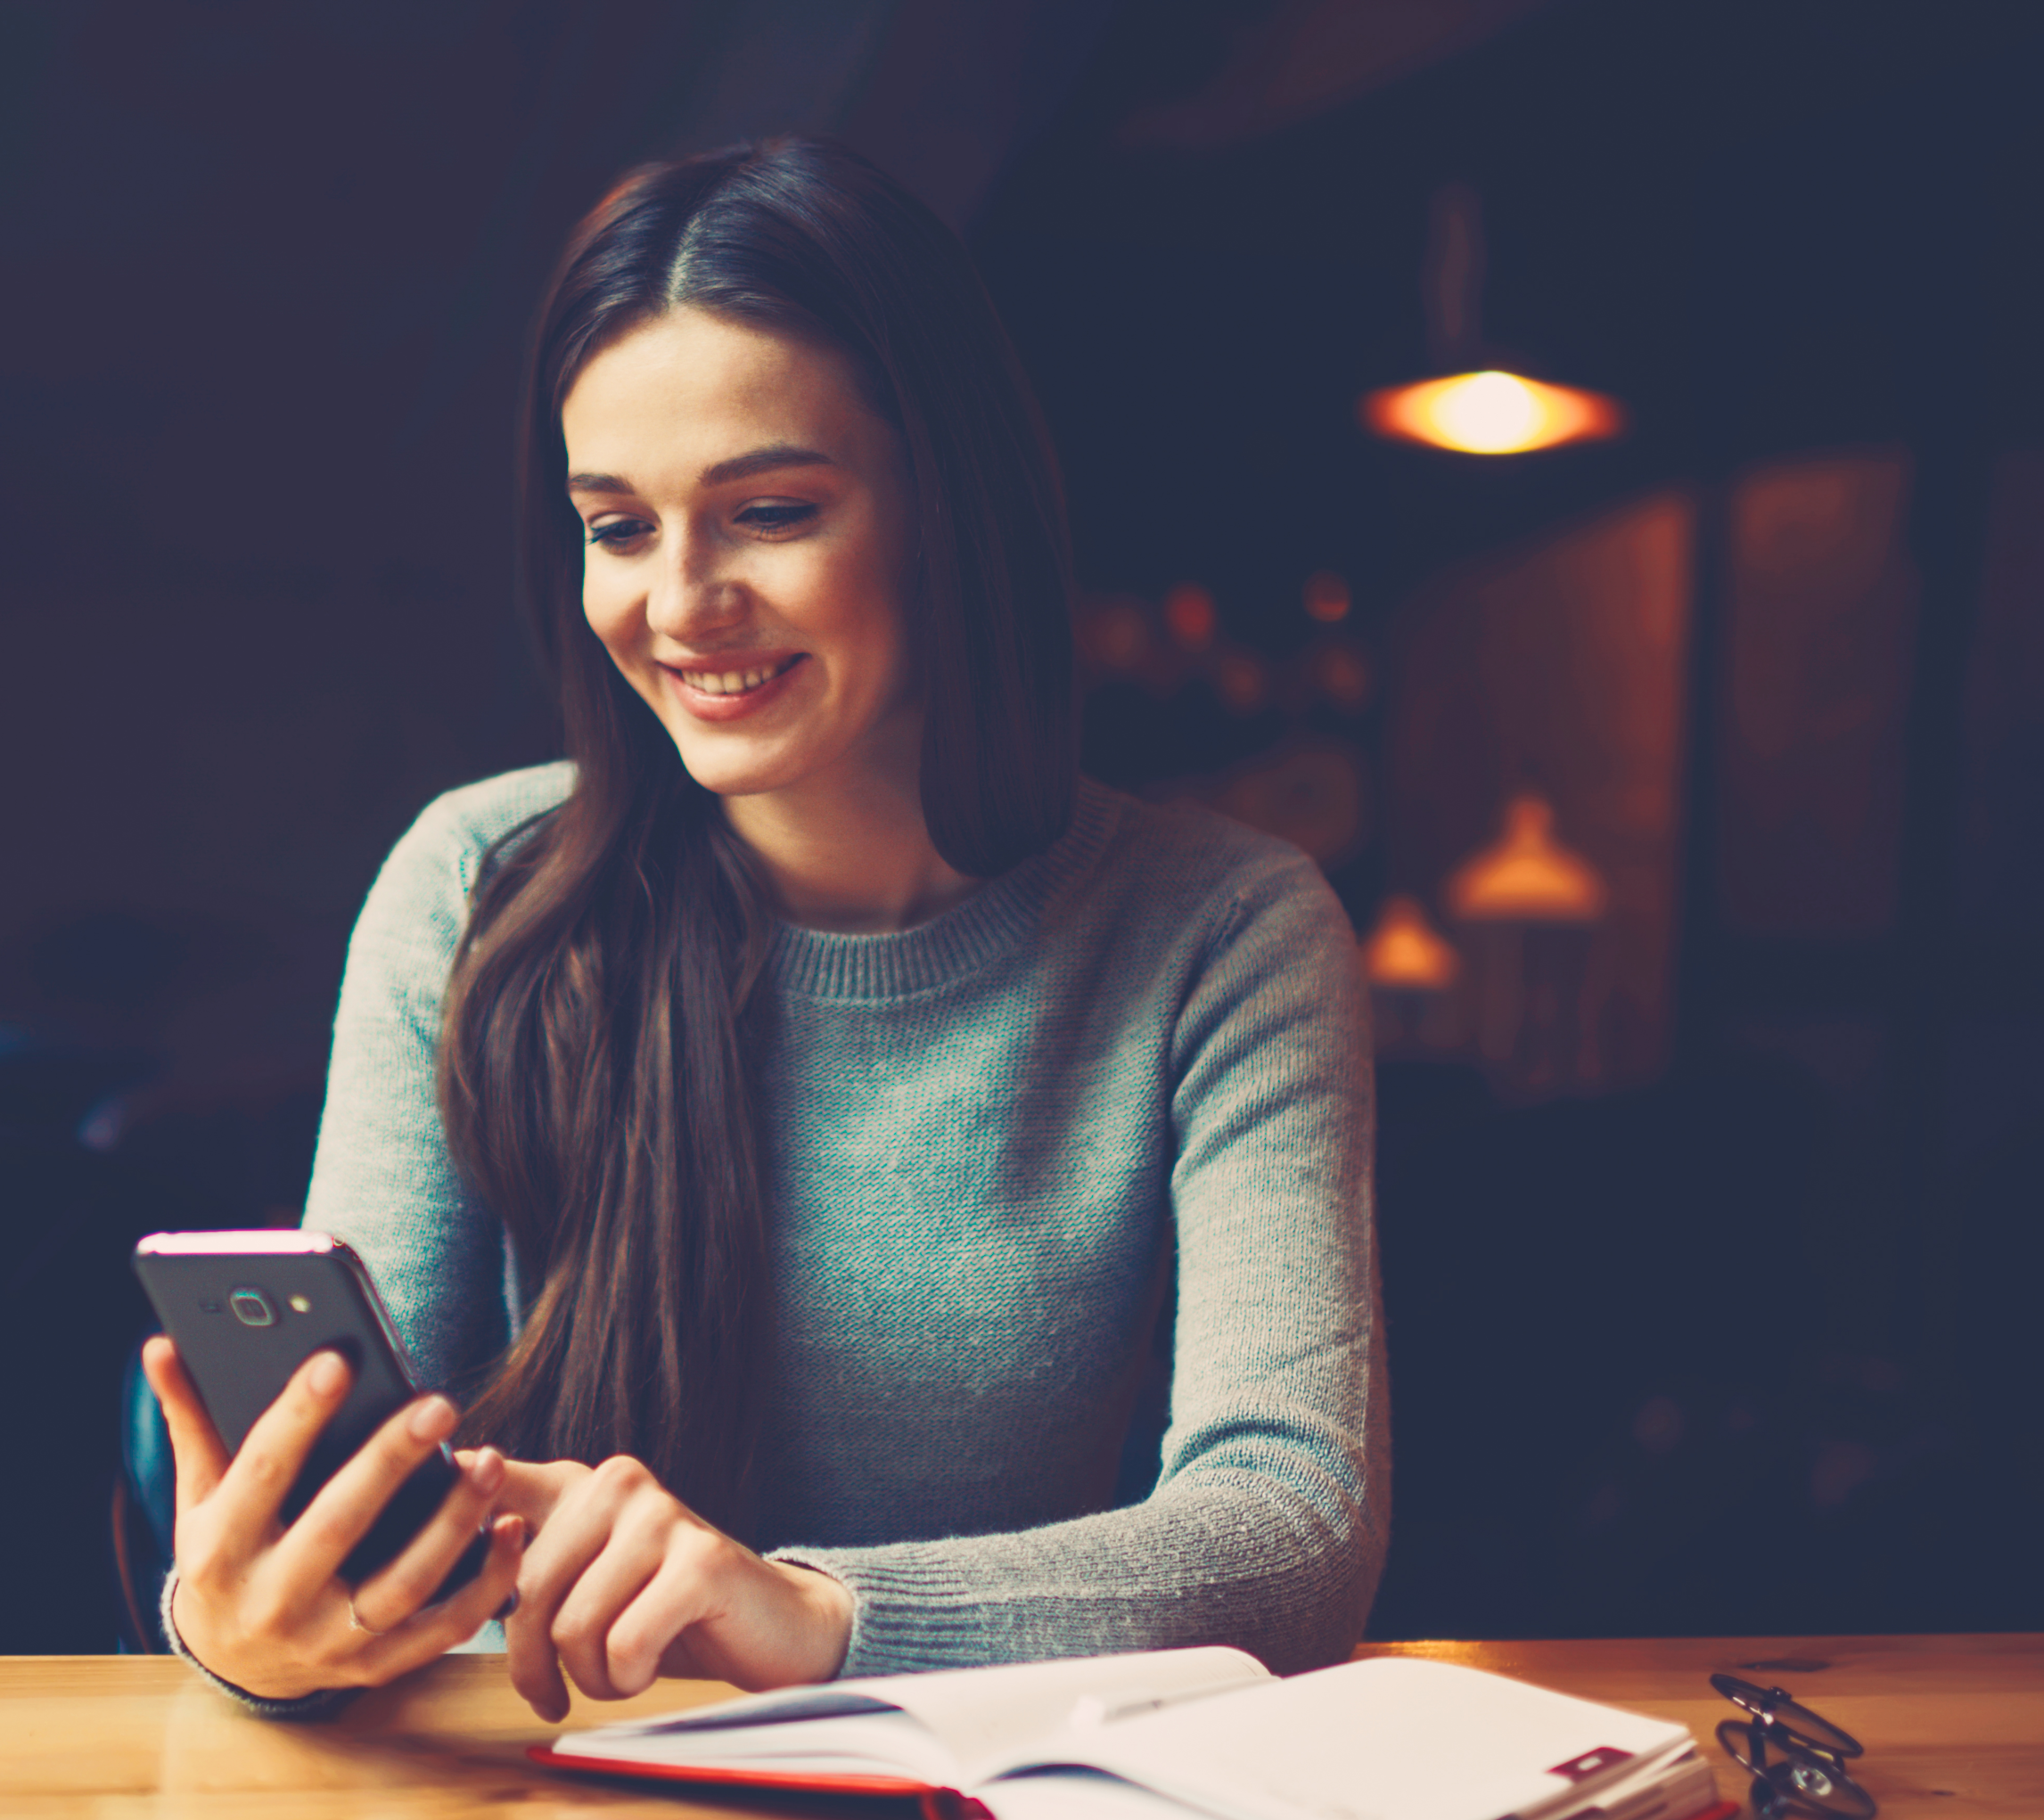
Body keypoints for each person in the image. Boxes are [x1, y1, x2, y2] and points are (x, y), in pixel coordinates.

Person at [136, 135, 1384, 1720]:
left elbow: (1293, 1531)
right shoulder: (476, 883)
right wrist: (243, 1623)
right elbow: (371, 1500)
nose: (678, 605)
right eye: (618, 526)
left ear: (951, 509)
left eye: (772, 510)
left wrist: (817, 1614)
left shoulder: (1220, 931)